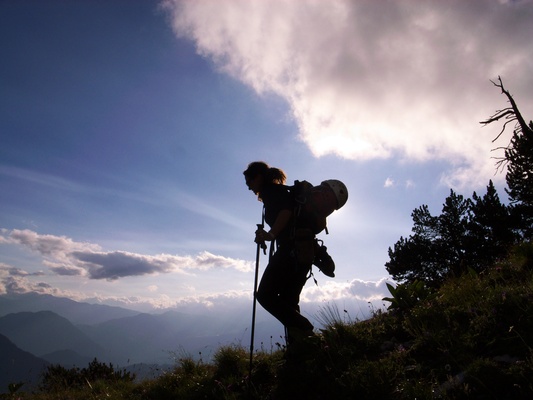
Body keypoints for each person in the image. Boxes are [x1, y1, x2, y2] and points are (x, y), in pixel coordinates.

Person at [243, 161, 315, 346]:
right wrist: (270, 234)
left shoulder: (272, 192)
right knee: (289, 300)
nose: (248, 186)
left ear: (258, 177)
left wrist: (271, 234)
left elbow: (285, 212)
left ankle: (305, 329)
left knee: (265, 295)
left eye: (249, 180)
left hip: (290, 251)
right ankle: (301, 347)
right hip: (304, 251)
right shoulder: (280, 192)